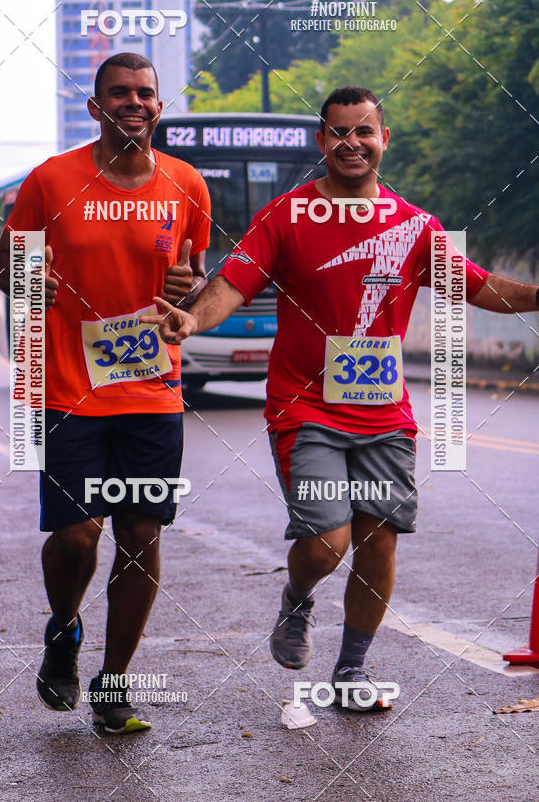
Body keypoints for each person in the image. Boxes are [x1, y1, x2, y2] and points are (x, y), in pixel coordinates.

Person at [141, 86, 539, 711]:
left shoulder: (415, 227)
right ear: (321, 141)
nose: (353, 142)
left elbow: (483, 289)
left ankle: (351, 668)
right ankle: (297, 599)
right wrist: (193, 321)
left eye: (365, 131)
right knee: (328, 539)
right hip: (306, 407)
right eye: (339, 132)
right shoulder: (287, 216)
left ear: (384, 140)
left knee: (378, 540)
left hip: (385, 414)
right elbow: (231, 284)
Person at [0, 53, 210, 733]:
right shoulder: (52, 182)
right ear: (96, 107)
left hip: (152, 389)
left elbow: (194, 276)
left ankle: (114, 683)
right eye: (120, 93)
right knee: (77, 535)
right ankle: (63, 628)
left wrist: (189, 293)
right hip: (65, 388)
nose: (134, 103)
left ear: (159, 107)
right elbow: (3, 265)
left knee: (140, 534)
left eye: (145, 93)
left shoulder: (187, 184)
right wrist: (29, 280)